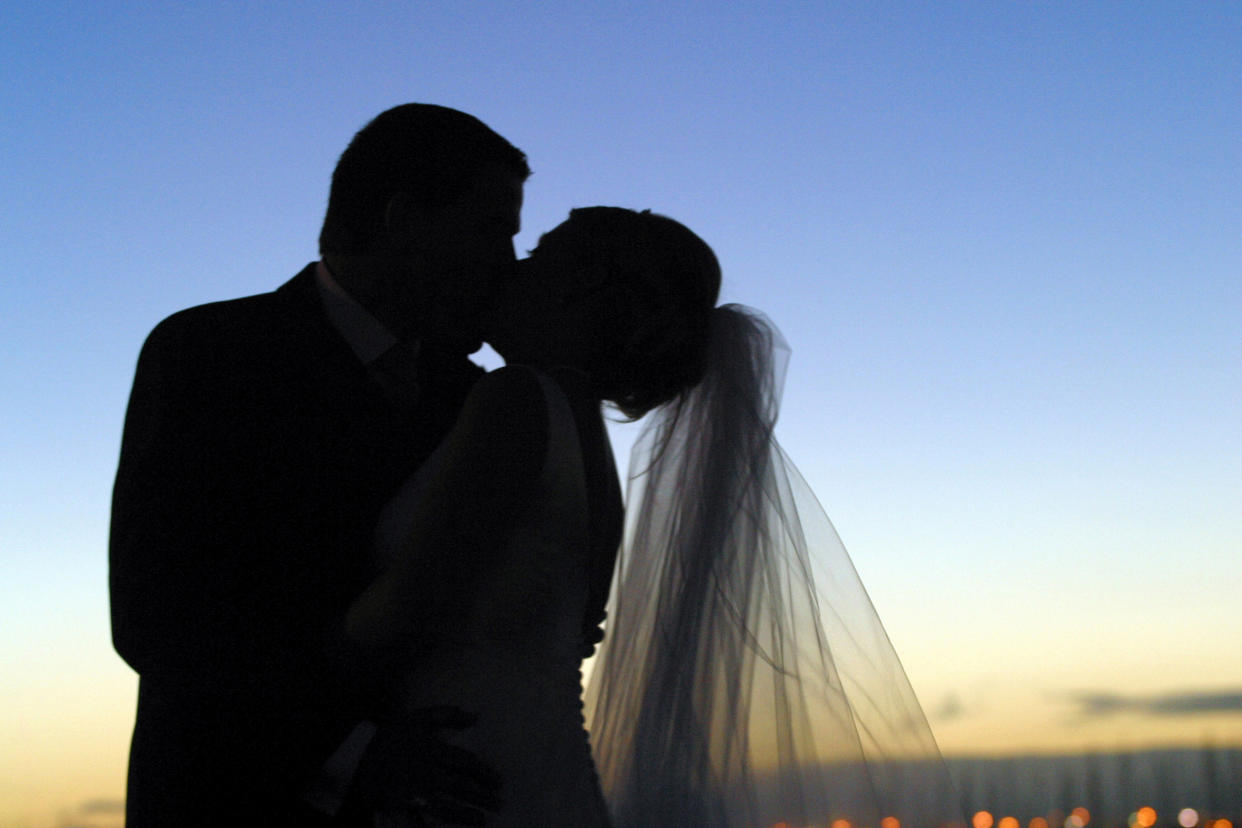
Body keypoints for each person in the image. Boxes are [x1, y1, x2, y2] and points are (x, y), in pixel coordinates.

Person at [344, 207, 960, 827]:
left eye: (537, 256)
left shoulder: (519, 402)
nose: (514, 270)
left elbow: (400, 610)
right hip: (534, 777)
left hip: (460, 784)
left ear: (577, 286)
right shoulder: (583, 439)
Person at [109, 103, 526, 826]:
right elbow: (159, 616)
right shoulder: (210, 352)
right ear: (403, 218)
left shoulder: (474, 397)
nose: (508, 263)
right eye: (493, 229)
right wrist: (352, 754)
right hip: (237, 800)